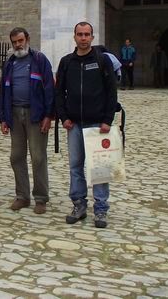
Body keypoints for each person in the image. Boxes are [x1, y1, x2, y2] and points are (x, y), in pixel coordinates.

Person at [55, 22, 118, 229]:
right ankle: (79, 204)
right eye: (80, 34)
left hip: (97, 124)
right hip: (74, 124)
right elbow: (59, 92)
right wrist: (63, 117)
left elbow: (111, 92)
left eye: (87, 34)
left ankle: (101, 208)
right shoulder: (66, 62)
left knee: (99, 167)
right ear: (74, 36)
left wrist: (107, 120)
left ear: (92, 37)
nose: (83, 38)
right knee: (75, 166)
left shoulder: (102, 61)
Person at [0, 27, 55, 214]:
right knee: (16, 156)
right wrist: (3, 117)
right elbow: (3, 91)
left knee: (38, 157)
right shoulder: (10, 63)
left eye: (20, 41)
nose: (18, 45)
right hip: (15, 114)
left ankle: (41, 198)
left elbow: (49, 89)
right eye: (14, 42)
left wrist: (49, 115)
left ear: (27, 39)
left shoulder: (39, 60)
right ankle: (22, 196)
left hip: (35, 115)